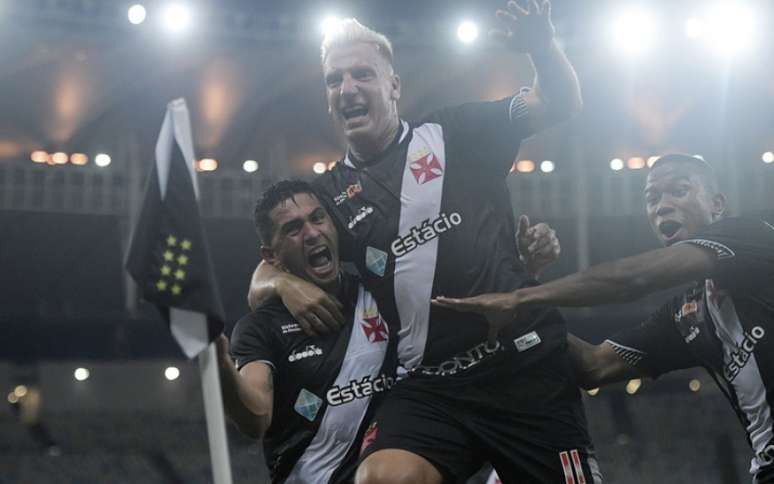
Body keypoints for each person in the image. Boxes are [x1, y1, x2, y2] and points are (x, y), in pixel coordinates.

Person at [248, 3, 602, 483]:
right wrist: (285, 286)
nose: (347, 89)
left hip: (521, 366)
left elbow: (561, 102)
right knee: (381, 479)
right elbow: (268, 267)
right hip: (433, 385)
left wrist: (542, 44)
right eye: (335, 81)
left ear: (393, 86)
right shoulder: (329, 196)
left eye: (362, 75)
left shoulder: (459, 131)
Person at [434, 154, 774, 483]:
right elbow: (593, 366)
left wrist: (519, 297)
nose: (662, 206)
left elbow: (633, 279)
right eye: (652, 198)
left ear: (717, 204)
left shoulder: (752, 237)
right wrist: (523, 285)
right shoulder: (689, 314)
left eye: (679, 191)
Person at [220, 180, 561, 483]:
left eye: (318, 218)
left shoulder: (385, 292)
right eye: (293, 228)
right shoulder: (259, 327)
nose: (311, 233)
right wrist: (220, 363)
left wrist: (522, 273)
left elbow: (475, 321)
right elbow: (255, 417)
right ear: (271, 255)